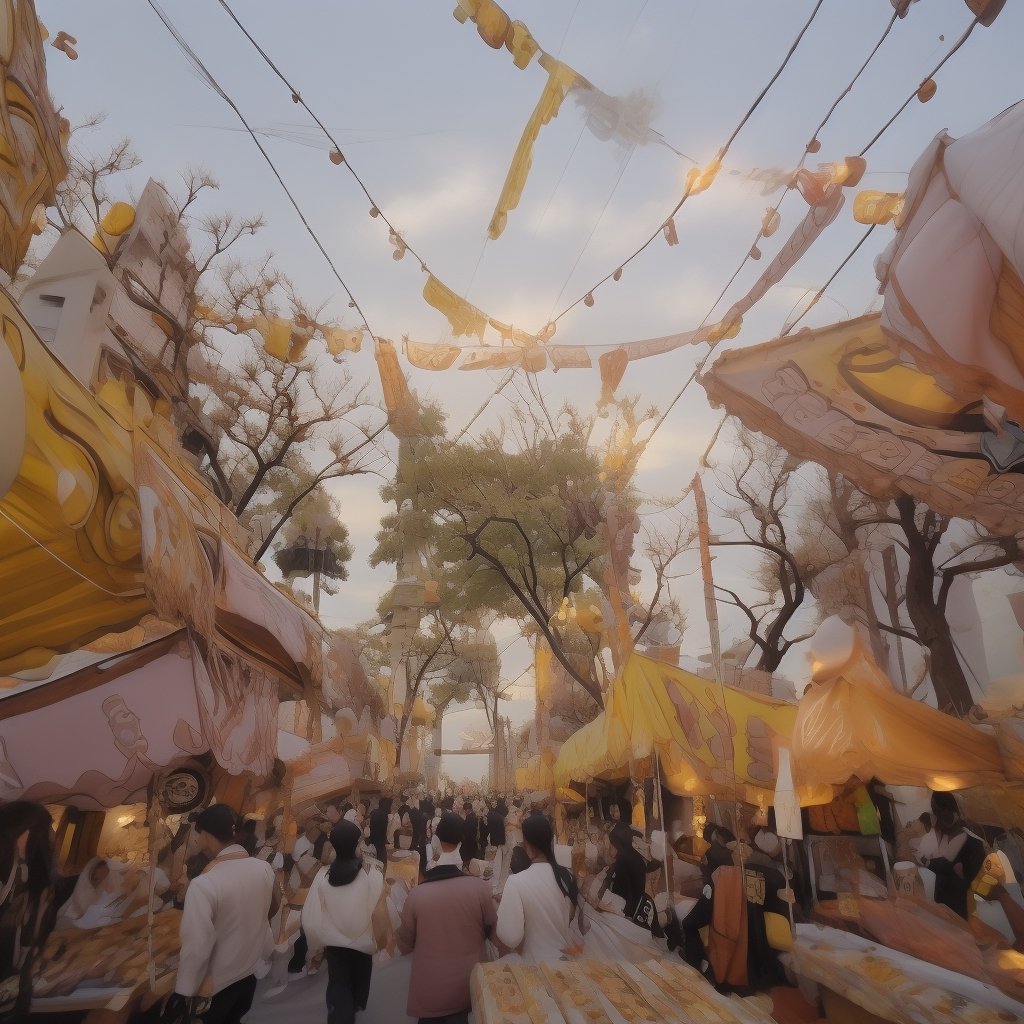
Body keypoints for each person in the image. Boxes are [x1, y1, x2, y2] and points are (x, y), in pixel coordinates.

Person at [167, 804, 279, 1024]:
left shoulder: (204, 884)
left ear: (206, 835)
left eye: (197, 835)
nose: (197, 841)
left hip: (214, 989)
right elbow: (271, 909)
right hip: (248, 979)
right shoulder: (263, 868)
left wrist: (182, 992)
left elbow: (197, 946)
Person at [397, 812, 496, 1024]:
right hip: (467, 987)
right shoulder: (479, 889)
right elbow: (493, 931)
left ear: (437, 841)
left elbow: (404, 944)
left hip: (430, 992)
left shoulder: (416, 895)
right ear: (461, 841)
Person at [301, 821, 385, 1024]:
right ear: (353, 845)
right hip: (362, 948)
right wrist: (380, 942)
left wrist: (315, 948)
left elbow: (311, 916)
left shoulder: (323, 876)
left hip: (335, 948)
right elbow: (379, 915)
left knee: (339, 988)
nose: (361, 847)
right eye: (359, 843)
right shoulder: (371, 876)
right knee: (357, 988)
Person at [0, 801, 56, 1020]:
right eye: (42, 832)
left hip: (15, 984)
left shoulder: (22, 870)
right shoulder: (7, 869)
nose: (46, 840)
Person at [496, 814, 579, 962]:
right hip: (566, 962)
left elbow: (510, 937)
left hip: (535, 966)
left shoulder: (516, 882)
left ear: (527, 845)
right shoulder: (567, 876)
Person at [916, 791, 986, 919]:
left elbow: (964, 871)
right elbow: (946, 863)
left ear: (949, 809)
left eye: (939, 812)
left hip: (959, 901)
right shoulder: (944, 830)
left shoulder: (971, 840)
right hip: (943, 897)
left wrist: (930, 862)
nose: (938, 819)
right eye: (936, 813)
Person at [601, 823, 647, 919]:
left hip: (627, 913)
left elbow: (626, 894)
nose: (609, 847)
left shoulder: (624, 863)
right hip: (630, 908)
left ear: (618, 845)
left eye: (611, 844)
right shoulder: (631, 857)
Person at [488, 799, 508, 896]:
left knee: (497, 861)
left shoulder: (492, 815)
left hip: (496, 841)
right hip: (502, 841)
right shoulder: (502, 818)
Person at [368, 797, 392, 865]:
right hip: (380, 842)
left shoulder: (373, 812)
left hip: (373, 839)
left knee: (374, 860)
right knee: (382, 862)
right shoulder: (385, 815)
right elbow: (385, 830)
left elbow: (371, 826)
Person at [461, 801, 480, 869]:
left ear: (468, 810)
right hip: (472, 839)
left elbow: (467, 829)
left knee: (468, 856)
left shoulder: (470, 818)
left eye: (465, 810)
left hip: (469, 840)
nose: (464, 812)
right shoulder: (473, 816)